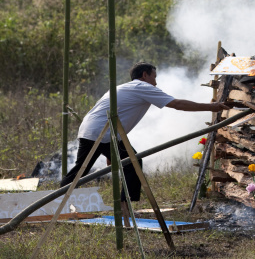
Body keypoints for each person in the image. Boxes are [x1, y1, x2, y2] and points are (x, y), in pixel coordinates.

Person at [60, 61, 228, 226]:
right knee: (129, 163)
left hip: (91, 128)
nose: (156, 82)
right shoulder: (143, 87)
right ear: (145, 75)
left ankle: (59, 204)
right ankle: (123, 205)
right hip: (103, 132)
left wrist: (111, 153)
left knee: (83, 170)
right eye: (154, 77)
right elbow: (177, 104)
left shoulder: (124, 87)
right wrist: (212, 107)